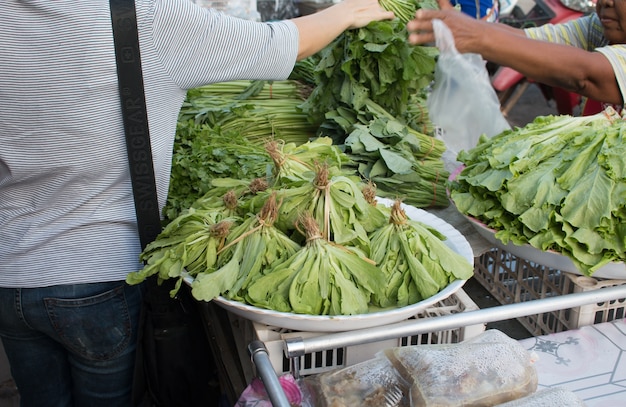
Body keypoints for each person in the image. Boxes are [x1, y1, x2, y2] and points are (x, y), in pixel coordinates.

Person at [0, 1, 394, 406]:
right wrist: (345, 11)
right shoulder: (143, 19)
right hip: (96, 278)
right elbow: (281, 44)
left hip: (9, 275)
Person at [407, 0, 626, 112]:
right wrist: (461, 25)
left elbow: (585, 75)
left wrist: (477, 36)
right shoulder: (598, 27)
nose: (605, 2)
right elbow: (534, 40)